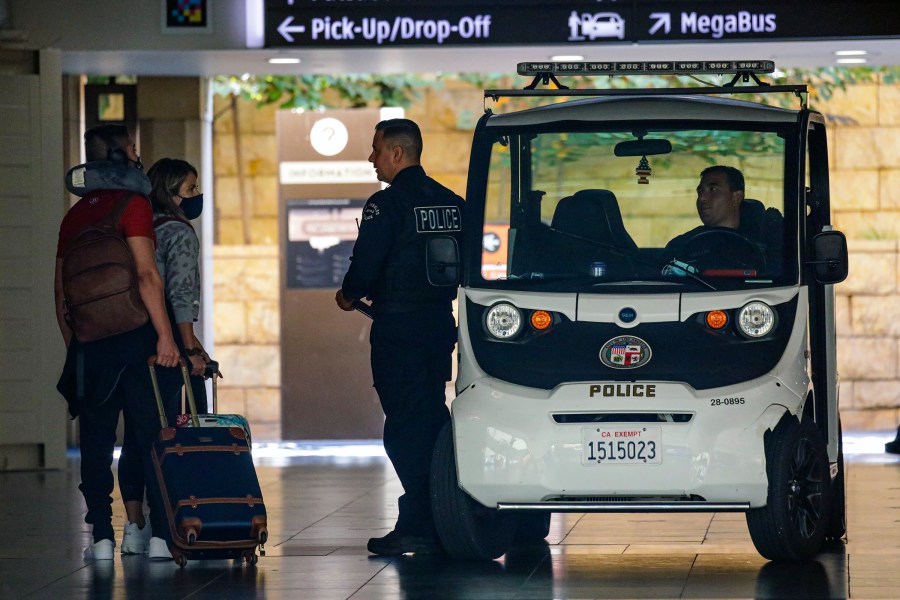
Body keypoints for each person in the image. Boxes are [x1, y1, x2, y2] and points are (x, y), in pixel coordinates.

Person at [335, 119, 464, 556]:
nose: (371, 159)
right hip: (438, 326)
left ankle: (419, 523)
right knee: (430, 414)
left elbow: (365, 264)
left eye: (375, 150)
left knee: (405, 427)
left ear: (396, 153)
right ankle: (447, 511)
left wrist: (348, 294)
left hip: (398, 328)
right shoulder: (453, 204)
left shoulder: (385, 206)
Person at [55, 124, 180, 560]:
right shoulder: (134, 205)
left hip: (92, 345)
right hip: (137, 340)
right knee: (148, 436)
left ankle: (103, 538)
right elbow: (147, 275)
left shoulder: (73, 217)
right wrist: (165, 336)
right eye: (133, 148)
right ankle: (161, 536)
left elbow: (61, 296)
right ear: (123, 155)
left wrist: (81, 342)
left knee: (96, 439)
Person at [115, 158, 213, 555]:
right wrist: (190, 348)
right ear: (170, 194)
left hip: (130, 342)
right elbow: (180, 295)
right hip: (167, 347)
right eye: (190, 190)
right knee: (173, 435)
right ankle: (164, 528)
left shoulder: (135, 230)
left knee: (136, 439)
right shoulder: (178, 233)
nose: (196, 197)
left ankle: (134, 528)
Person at [664, 165, 780, 271]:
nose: (702, 198)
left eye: (713, 189)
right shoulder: (682, 245)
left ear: (736, 197)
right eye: (700, 192)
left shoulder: (769, 241)